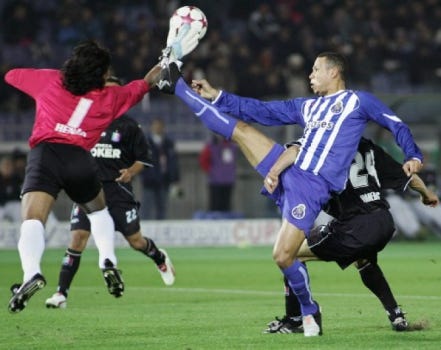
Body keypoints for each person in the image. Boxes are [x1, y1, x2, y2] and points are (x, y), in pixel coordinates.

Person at [153, 51, 422, 336]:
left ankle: (309, 311)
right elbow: (262, 111)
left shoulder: (358, 101)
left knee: (283, 256)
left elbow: (396, 123)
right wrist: (217, 95)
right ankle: (177, 85)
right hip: (290, 171)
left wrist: (413, 154)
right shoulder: (307, 107)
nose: (310, 75)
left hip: (311, 187)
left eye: (316, 69)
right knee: (241, 130)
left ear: (334, 72)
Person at [4, 39, 161, 313]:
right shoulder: (112, 98)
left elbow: (11, 75)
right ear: (101, 75)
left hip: (46, 155)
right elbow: (146, 83)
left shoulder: (50, 80)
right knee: (98, 213)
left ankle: (31, 273)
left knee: (32, 218)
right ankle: (107, 259)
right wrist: (166, 63)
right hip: (79, 159)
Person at [262, 138, 438, 333]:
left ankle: (294, 320)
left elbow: (294, 151)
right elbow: (408, 177)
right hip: (383, 221)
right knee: (363, 260)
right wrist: (426, 194)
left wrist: (274, 171)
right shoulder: (368, 146)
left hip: (355, 225)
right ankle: (396, 316)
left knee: (290, 254)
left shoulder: (323, 143)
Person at [45, 77, 175, 309]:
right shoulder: (85, 121)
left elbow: (143, 159)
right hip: (89, 191)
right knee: (77, 238)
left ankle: (159, 258)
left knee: (135, 241)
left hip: (118, 191)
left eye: (115, 93)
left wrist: (131, 172)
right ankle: (61, 293)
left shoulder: (130, 126)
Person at [141, 118, 181, 220]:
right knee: (147, 208)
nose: (157, 128)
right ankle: (144, 232)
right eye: (155, 125)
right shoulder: (145, 143)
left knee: (162, 208)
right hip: (149, 181)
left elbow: (173, 162)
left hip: (164, 180)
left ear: (163, 128)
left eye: (160, 126)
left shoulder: (169, 144)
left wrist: (175, 179)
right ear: (151, 127)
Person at [199, 134, 237, 212]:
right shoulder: (211, 145)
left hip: (228, 181)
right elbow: (203, 160)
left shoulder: (232, 145)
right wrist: (212, 171)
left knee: (226, 206)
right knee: (215, 206)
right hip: (215, 182)